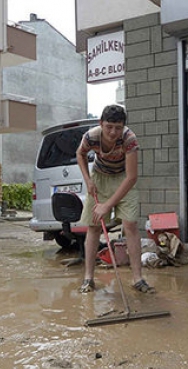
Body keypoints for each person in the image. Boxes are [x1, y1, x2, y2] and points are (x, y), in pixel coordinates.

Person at [76, 104, 154, 294]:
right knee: (94, 226)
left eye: (118, 128)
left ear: (123, 127)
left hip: (123, 180)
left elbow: (131, 177)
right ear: (101, 123)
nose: (113, 132)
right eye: (109, 126)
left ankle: (137, 279)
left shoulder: (130, 140)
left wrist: (107, 206)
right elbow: (80, 154)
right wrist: (88, 180)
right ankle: (88, 278)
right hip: (100, 178)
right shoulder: (91, 136)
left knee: (130, 225)